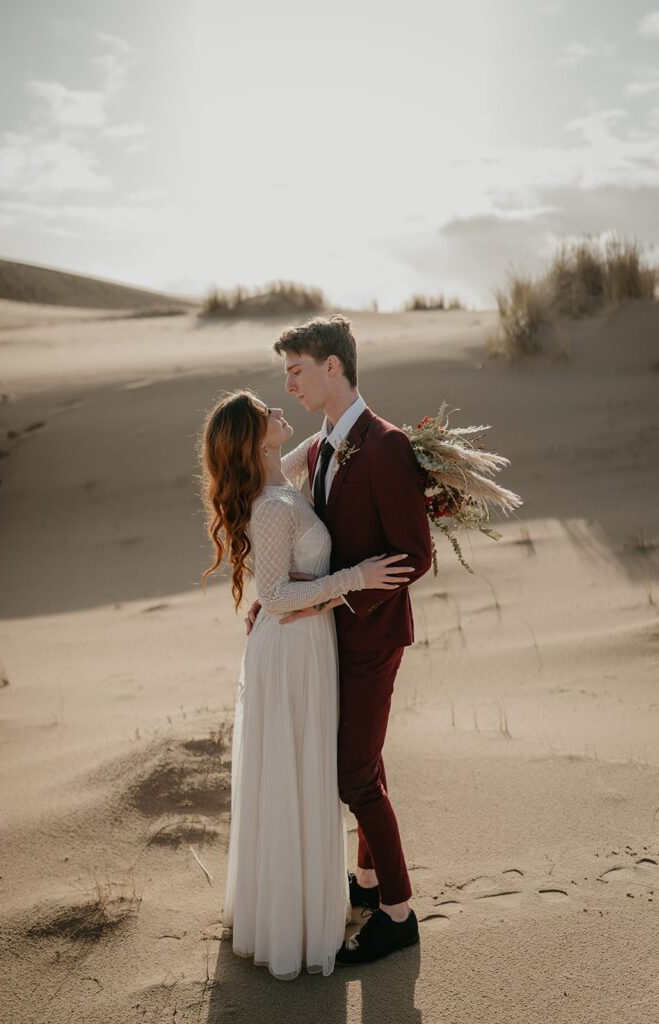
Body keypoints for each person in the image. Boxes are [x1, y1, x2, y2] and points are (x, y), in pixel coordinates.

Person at [200, 389, 413, 980]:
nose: (276, 408)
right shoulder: (269, 505)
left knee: (307, 770)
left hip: (307, 643)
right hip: (291, 651)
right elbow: (274, 596)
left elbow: (324, 445)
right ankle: (296, 913)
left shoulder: (278, 471)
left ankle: (349, 886)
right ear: (252, 437)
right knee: (298, 772)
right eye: (265, 410)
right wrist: (358, 577)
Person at [246, 314, 433, 965]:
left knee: (352, 773)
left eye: (296, 370)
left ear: (333, 367)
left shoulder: (383, 447)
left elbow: (414, 555)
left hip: (371, 636)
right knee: (364, 762)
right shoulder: (324, 445)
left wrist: (344, 593)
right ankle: (366, 882)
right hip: (326, 639)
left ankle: (397, 914)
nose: (289, 384)